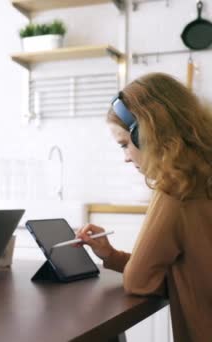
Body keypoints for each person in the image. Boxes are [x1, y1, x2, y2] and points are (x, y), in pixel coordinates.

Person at [75, 73, 212, 341]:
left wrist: (120, 260)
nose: (126, 157)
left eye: (125, 144)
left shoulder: (177, 189)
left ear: (147, 133)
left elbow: (139, 280)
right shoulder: (204, 175)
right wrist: (111, 255)